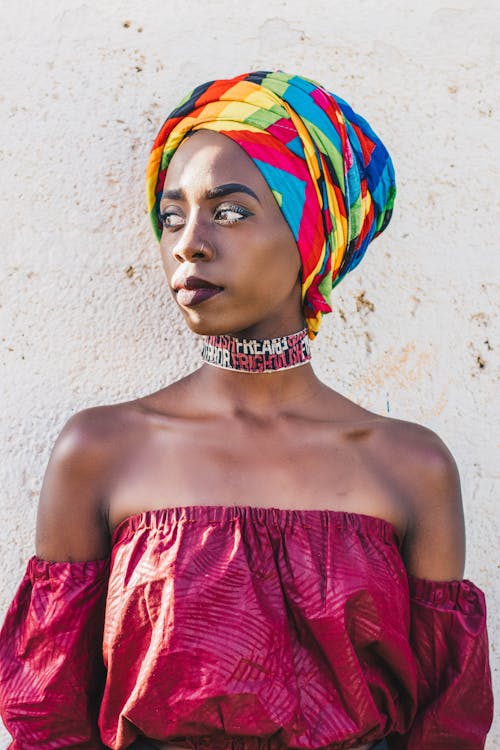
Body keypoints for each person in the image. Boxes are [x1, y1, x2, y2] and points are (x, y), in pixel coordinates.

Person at [0, 71, 493, 750]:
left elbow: (449, 728)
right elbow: (47, 719)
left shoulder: (411, 466)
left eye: (229, 211)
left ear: (312, 232)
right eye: (173, 215)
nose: (189, 242)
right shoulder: (99, 451)